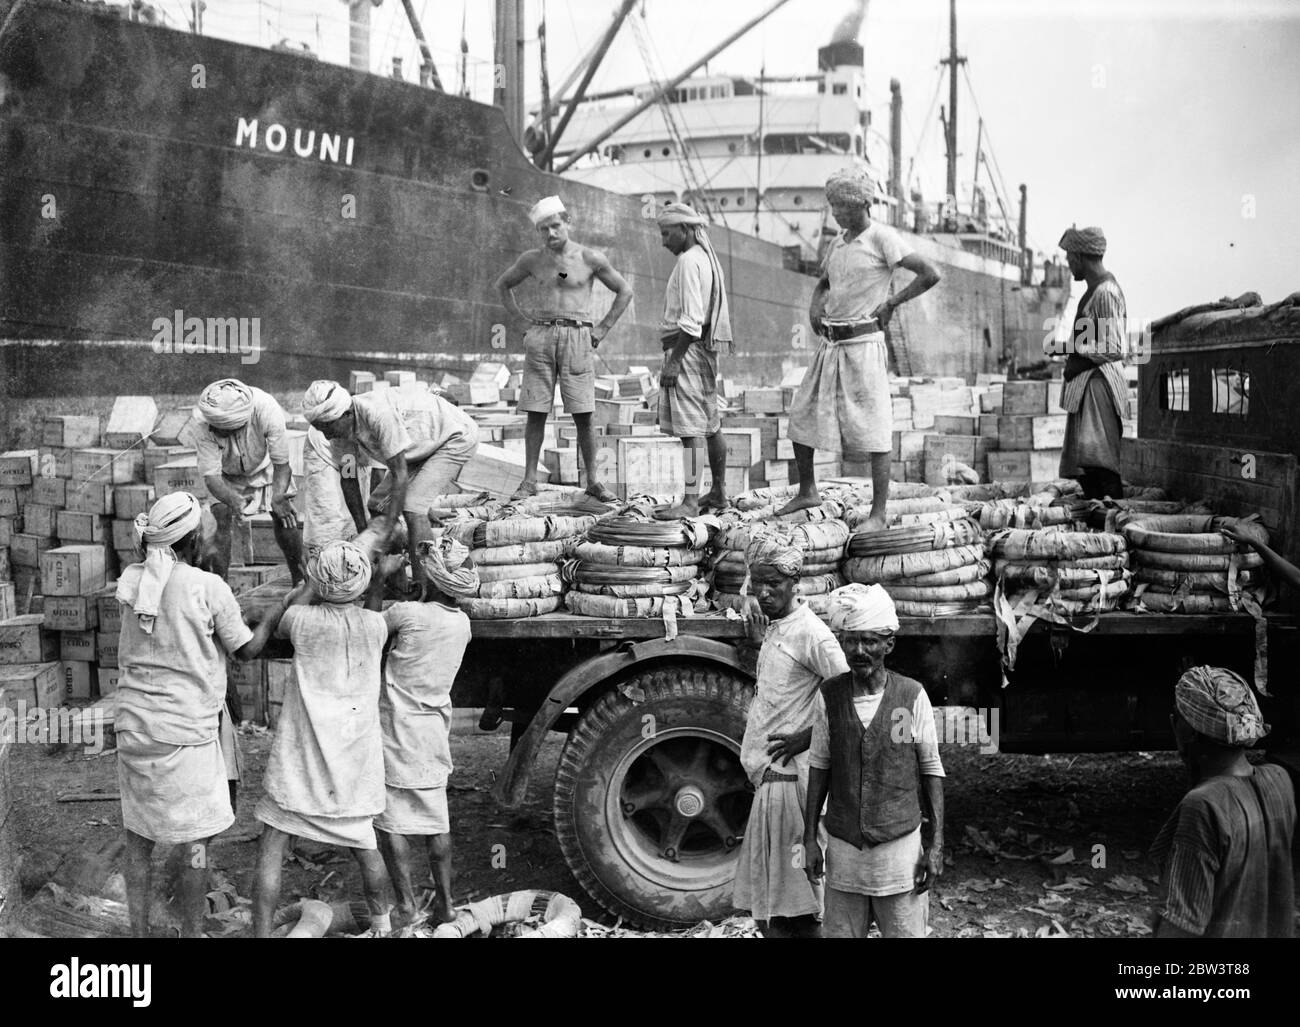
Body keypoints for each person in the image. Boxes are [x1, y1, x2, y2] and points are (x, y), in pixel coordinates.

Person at [114, 492, 290, 937]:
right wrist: (275, 611)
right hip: (183, 735)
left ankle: (139, 933)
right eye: (208, 533)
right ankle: (191, 933)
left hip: (134, 728)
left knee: (138, 837)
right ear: (192, 540)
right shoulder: (208, 587)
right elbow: (247, 650)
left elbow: (171, 625)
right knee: (195, 843)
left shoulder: (134, 580)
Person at [781, 168, 940, 523]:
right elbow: (824, 282)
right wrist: (814, 305)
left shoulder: (882, 238)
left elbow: (930, 273)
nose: (834, 212)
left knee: (874, 427)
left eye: (840, 206)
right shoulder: (838, 242)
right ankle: (808, 491)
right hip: (831, 345)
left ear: (862, 204)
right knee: (801, 414)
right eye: (832, 205)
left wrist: (893, 303)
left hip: (864, 344)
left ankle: (878, 512)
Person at [253, 539, 393, 938]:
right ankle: (382, 927)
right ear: (362, 586)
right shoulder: (376, 626)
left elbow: (285, 611)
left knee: (271, 846)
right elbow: (371, 609)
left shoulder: (302, 622)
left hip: (301, 770)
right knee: (367, 849)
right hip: (353, 772)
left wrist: (309, 583)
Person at [802, 583, 946, 938]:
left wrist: (937, 844)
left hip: (899, 854)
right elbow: (819, 767)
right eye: (851, 641)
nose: (859, 650)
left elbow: (931, 770)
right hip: (845, 851)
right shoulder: (829, 696)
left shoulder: (911, 695)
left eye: (869, 641)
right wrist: (808, 840)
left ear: (889, 644)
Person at [732, 532, 849, 937]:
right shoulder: (777, 627)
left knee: (796, 909)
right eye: (758, 582)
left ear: (794, 584)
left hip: (790, 784)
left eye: (774, 584)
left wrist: (808, 736)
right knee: (770, 911)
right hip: (769, 779)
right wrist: (754, 645)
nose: (764, 593)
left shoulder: (812, 633)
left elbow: (852, 699)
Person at [364, 531, 477, 927]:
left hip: (396, 731)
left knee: (391, 821)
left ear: (430, 578)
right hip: (432, 733)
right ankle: (446, 905)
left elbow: (368, 629)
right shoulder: (462, 623)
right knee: (435, 822)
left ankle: (409, 905)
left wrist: (380, 579)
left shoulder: (408, 614)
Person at [494, 195, 633, 503]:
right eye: (543, 229)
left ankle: (594, 481)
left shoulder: (590, 258)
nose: (550, 234)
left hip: (578, 336)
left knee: (584, 413)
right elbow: (502, 285)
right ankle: (529, 480)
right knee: (535, 411)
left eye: (555, 226)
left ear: (568, 222)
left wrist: (603, 329)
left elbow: (624, 290)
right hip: (541, 336)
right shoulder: (531, 260)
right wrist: (521, 324)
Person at [1150, 666, 1294, 938]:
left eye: (1177, 719)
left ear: (1187, 732)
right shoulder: (1280, 781)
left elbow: (1180, 927)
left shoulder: (1203, 806)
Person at [300, 380, 478, 591]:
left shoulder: (378, 415)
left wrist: (385, 531)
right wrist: (362, 529)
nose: (326, 435)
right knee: (377, 506)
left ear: (346, 414)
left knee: (413, 508)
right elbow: (349, 480)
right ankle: (399, 585)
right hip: (419, 447)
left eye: (328, 427)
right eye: (320, 429)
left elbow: (400, 474)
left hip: (455, 437)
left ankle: (426, 588)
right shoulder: (340, 434)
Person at [653, 202, 734, 519]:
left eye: (667, 233)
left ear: (685, 230)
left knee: (691, 430)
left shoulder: (688, 261)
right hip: (704, 352)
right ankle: (718, 492)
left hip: (686, 350)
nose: (663, 241)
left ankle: (689, 501)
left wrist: (674, 361)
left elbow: (691, 320)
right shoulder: (706, 259)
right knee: (711, 424)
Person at [193, 378, 303, 583]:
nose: (214, 432)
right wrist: (233, 499)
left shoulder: (267, 408)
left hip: (267, 466)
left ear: (239, 424)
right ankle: (221, 590)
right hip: (225, 476)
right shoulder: (203, 421)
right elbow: (211, 478)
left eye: (221, 430)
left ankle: (299, 582)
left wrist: (279, 497)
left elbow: (282, 465)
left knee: (285, 517)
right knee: (220, 522)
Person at [1054, 225, 1129, 500]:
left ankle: (1114, 527)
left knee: (1100, 464)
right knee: (1083, 467)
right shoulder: (1093, 291)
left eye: (1069, 258)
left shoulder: (1105, 292)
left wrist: (1070, 347)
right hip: (1086, 386)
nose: (1067, 264)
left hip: (1099, 386)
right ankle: (1098, 526)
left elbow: (1116, 346)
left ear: (1080, 257)